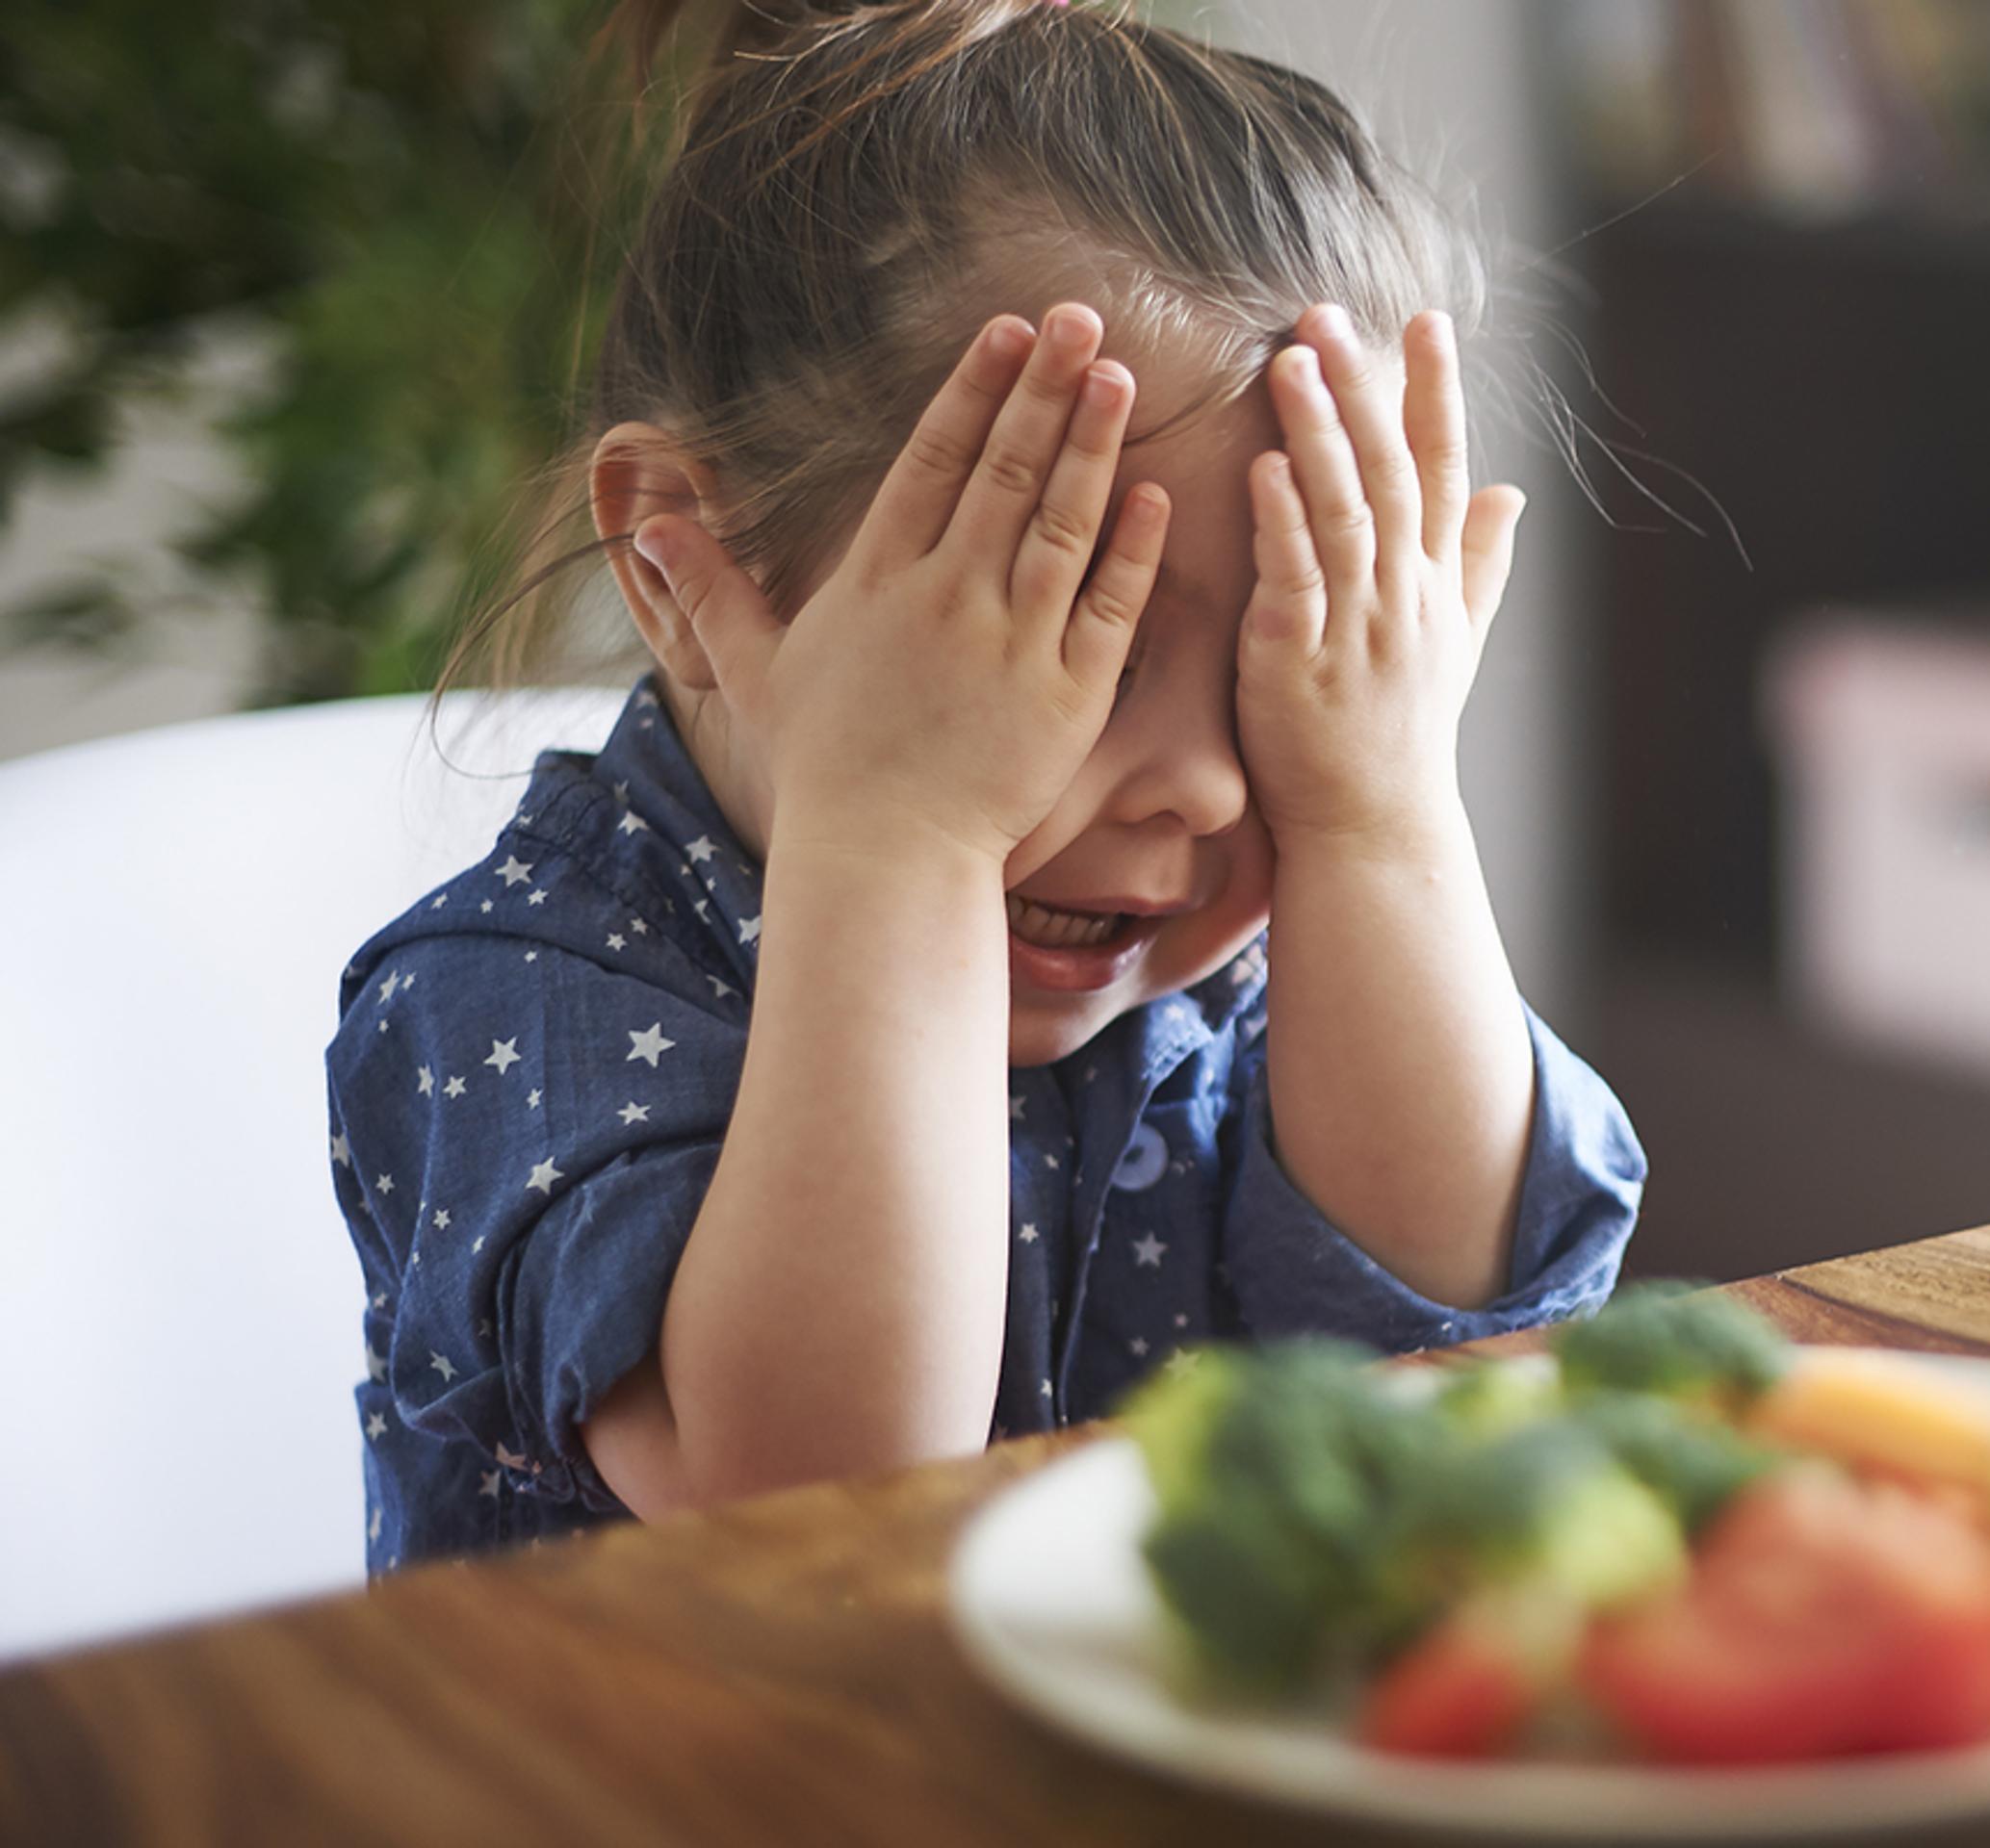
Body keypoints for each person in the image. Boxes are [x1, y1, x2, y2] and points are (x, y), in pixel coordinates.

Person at [324, 0, 1643, 1572]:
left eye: (1279, 679)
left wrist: (1374, 809)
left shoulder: (1279, 909)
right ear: (683, 566)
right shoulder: (520, 994)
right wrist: (898, 839)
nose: (1208, 787)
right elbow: (820, 1500)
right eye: (1065, 652)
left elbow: (1461, 1320)